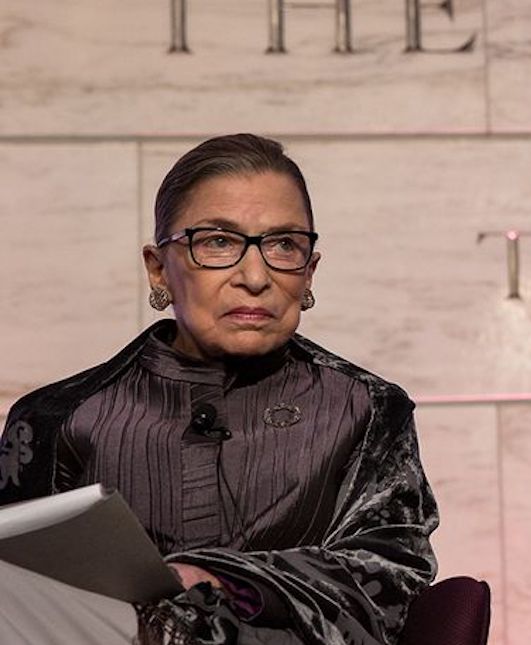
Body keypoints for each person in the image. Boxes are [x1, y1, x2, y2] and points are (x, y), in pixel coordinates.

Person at [0, 133, 437, 644]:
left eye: (283, 245)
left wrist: (217, 579)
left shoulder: (365, 409)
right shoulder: (58, 418)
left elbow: (390, 583)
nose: (255, 276)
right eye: (218, 242)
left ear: (309, 271)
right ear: (158, 267)